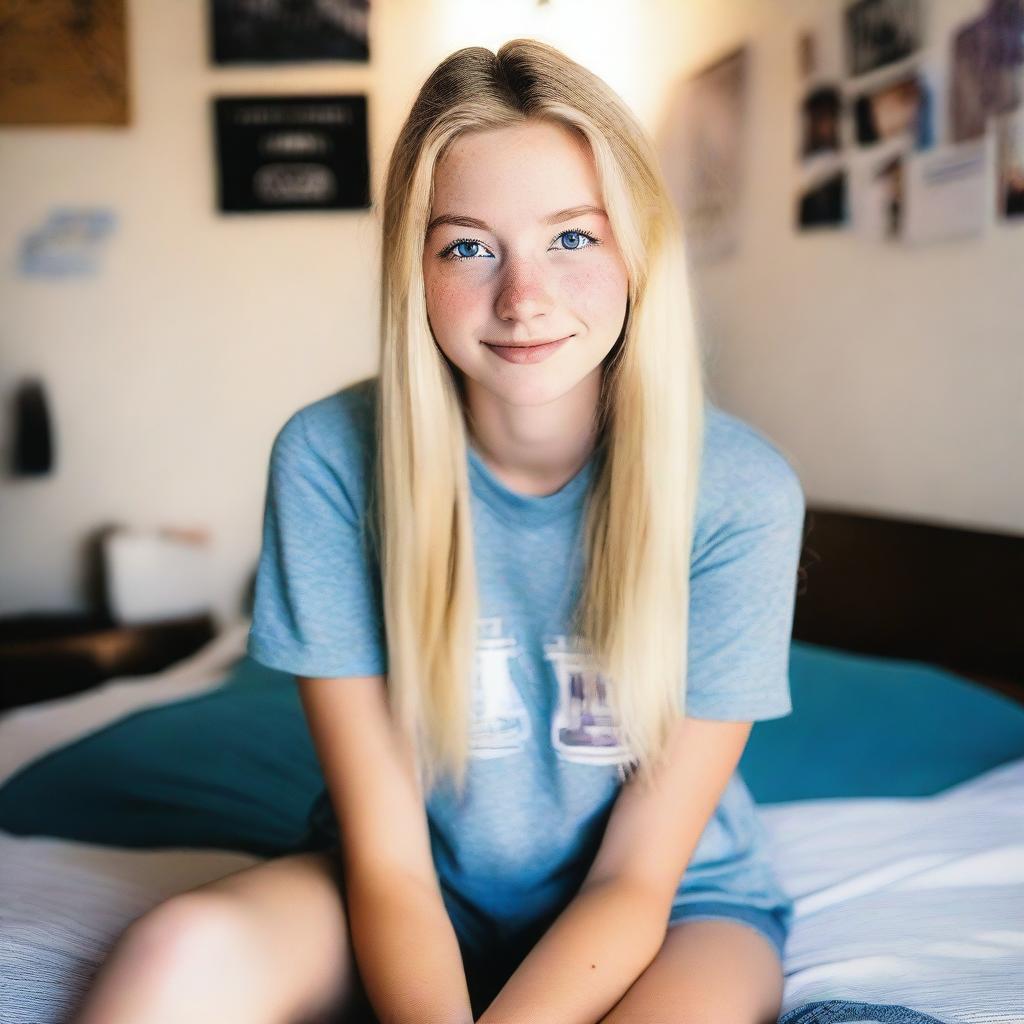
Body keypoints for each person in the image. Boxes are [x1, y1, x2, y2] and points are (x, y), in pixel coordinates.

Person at [70, 38, 805, 1024]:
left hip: (672, 906)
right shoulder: (329, 459)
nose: (522, 297)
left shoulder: (740, 492)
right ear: (414, 269)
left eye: (572, 238)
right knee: (172, 956)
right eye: (467, 245)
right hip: (409, 888)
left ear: (638, 247)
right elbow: (386, 859)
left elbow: (632, 878)